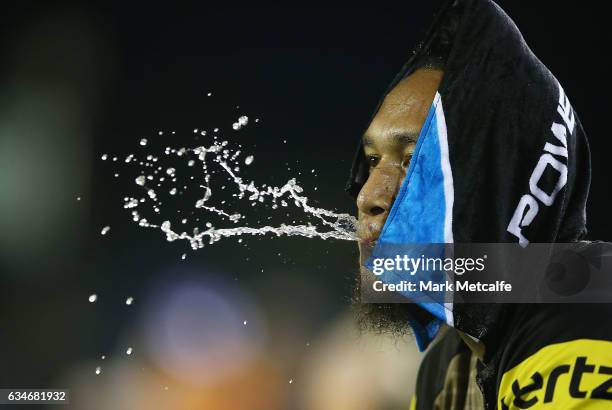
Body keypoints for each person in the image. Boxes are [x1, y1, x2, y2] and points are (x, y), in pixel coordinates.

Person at [348, 0, 612, 408]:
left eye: (413, 160)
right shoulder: (448, 365)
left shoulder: (589, 316)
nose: (369, 196)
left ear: (499, 180)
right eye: (371, 161)